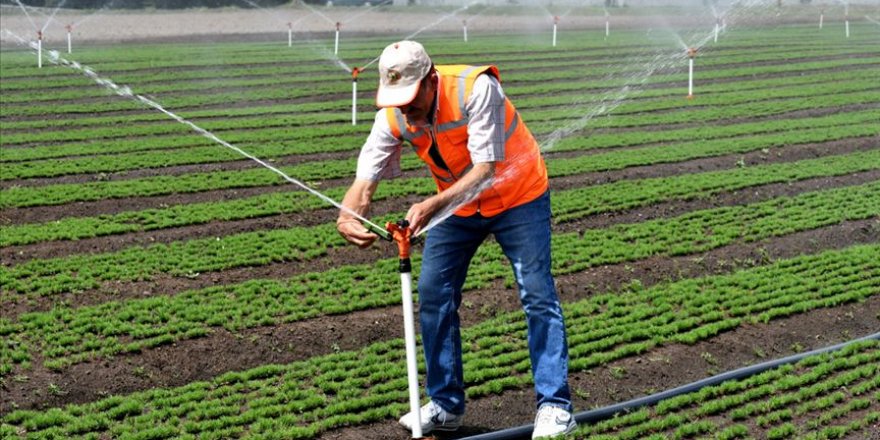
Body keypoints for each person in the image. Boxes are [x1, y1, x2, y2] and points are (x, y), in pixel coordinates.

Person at [336, 40, 575, 439]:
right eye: (397, 101)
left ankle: (555, 406)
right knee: (433, 294)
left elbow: (485, 170)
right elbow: (365, 180)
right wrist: (348, 215)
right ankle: (446, 406)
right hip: (457, 209)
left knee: (536, 293)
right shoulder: (393, 115)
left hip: (518, 196)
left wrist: (432, 204)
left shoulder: (476, 89)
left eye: (412, 99)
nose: (406, 111)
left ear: (431, 80)